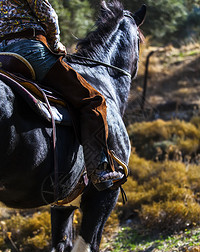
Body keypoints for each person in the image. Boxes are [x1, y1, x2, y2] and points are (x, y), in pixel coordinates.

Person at [0, 0, 124, 191]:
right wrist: (56, 43)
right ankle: (99, 169)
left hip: (2, 55)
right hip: (29, 51)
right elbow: (47, 13)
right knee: (94, 100)